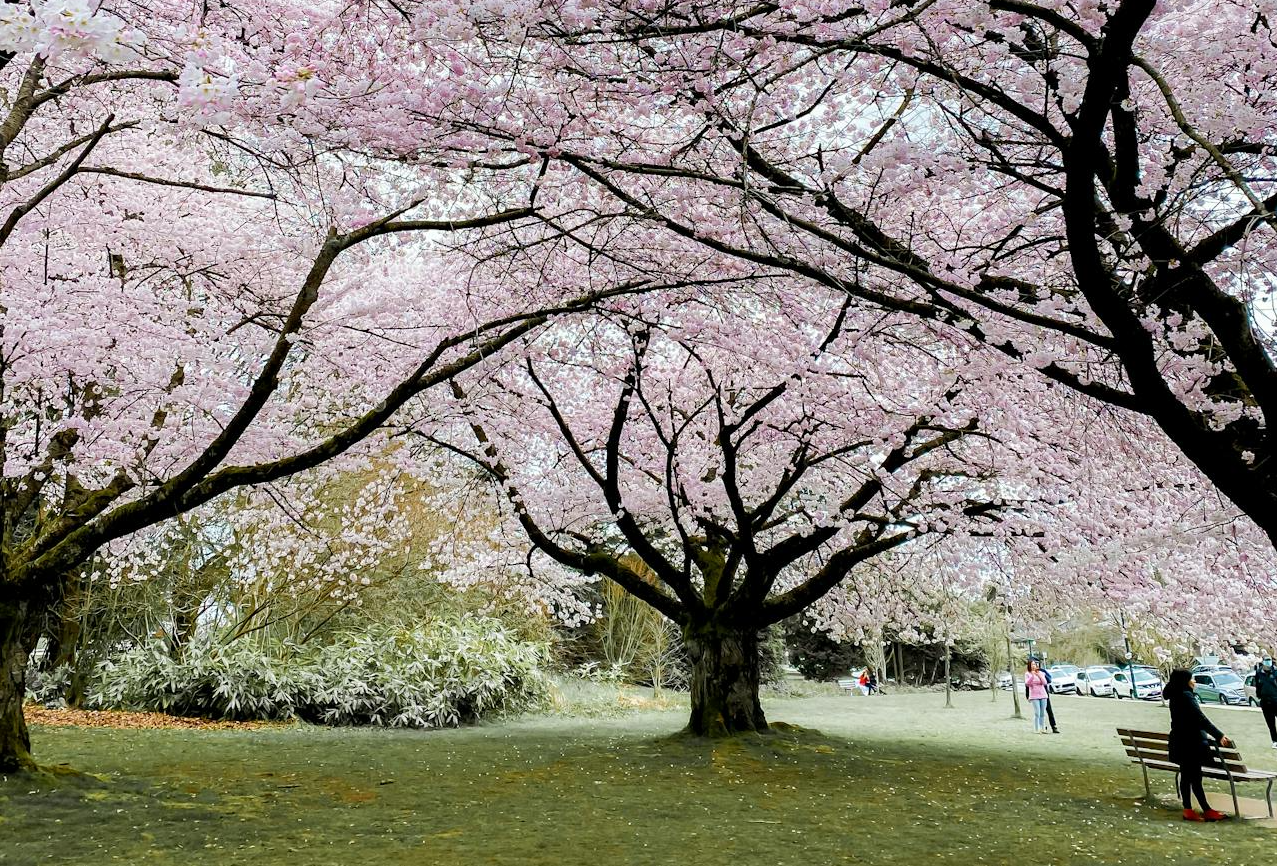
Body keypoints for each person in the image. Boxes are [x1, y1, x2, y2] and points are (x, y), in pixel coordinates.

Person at [1166, 668, 1232, 822]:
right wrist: (1219, 735)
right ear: (1185, 681)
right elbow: (1200, 719)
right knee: (1194, 778)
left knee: (1187, 776)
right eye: (1192, 679)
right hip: (1191, 743)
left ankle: (1191, 809)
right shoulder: (1186, 696)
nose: (1194, 681)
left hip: (1179, 741)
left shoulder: (1175, 695)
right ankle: (1204, 810)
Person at [1253, 656, 1277, 748]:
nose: (1268, 662)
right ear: (1263, 662)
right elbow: (1258, 686)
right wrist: (1259, 696)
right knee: (1270, 723)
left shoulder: (1275, 671)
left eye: (1269, 660)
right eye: (1266, 660)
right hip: (1265, 701)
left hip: (1275, 699)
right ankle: (1275, 740)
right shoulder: (1259, 672)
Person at [1025, 659, 1050, 734]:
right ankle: (1036, 729)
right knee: (1037, 713)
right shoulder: (1027, 674)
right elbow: (1027, 684)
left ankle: (1043, 728)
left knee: (1043, 713)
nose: (1033, 666)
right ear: (1029, 666)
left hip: (1043, 695)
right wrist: (1032, 676)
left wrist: (1038, 675)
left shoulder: (1041, 673)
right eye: (1032, 664)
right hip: (1034, 696)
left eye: (1034, 664)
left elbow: (1045, 682)